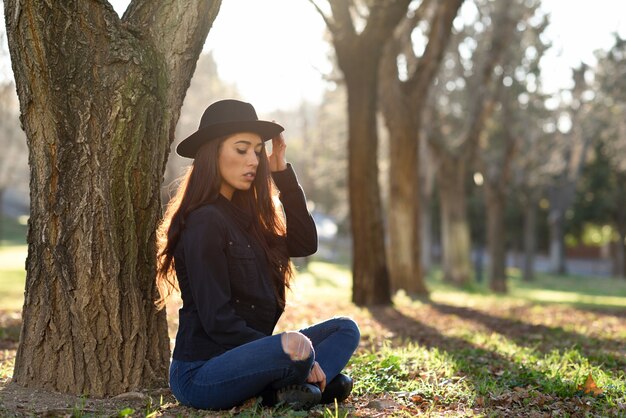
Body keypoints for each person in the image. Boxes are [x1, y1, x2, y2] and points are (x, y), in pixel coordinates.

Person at [155, 99, 360, 411]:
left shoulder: (249, 219)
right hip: (202, 373)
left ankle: (294, 387)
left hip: (254, 357)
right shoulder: (204, 221)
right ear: (212, 153)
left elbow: (305, 244)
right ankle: (303, 383)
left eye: (257, 150)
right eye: (241, 149)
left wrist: (282, 174)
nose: (253, 160)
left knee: (344, 329)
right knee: (295, 346)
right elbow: (218, 320)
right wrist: (290, 351)